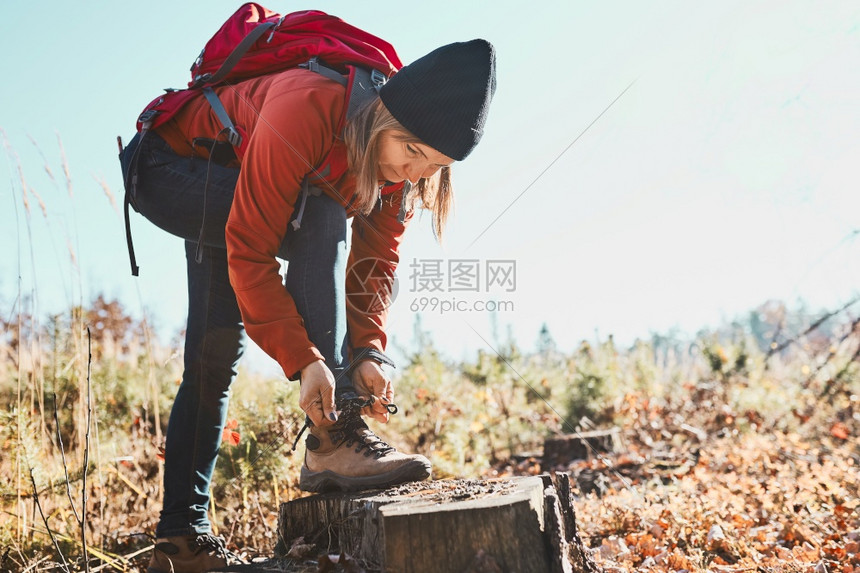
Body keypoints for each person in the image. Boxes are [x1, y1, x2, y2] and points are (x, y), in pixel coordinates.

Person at [120, 38, 496, 572]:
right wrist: (307, 361)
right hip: (169, 165)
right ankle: (331, 436)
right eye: (411, 152)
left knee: (213, 355)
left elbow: (374, 265)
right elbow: (250, 252)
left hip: (236, 171)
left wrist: (368, 350)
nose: (414, 172)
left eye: (432, 166)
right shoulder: (309, 107)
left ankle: (181, 544)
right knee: (317, 214)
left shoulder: (401, 173)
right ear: (382, 115)